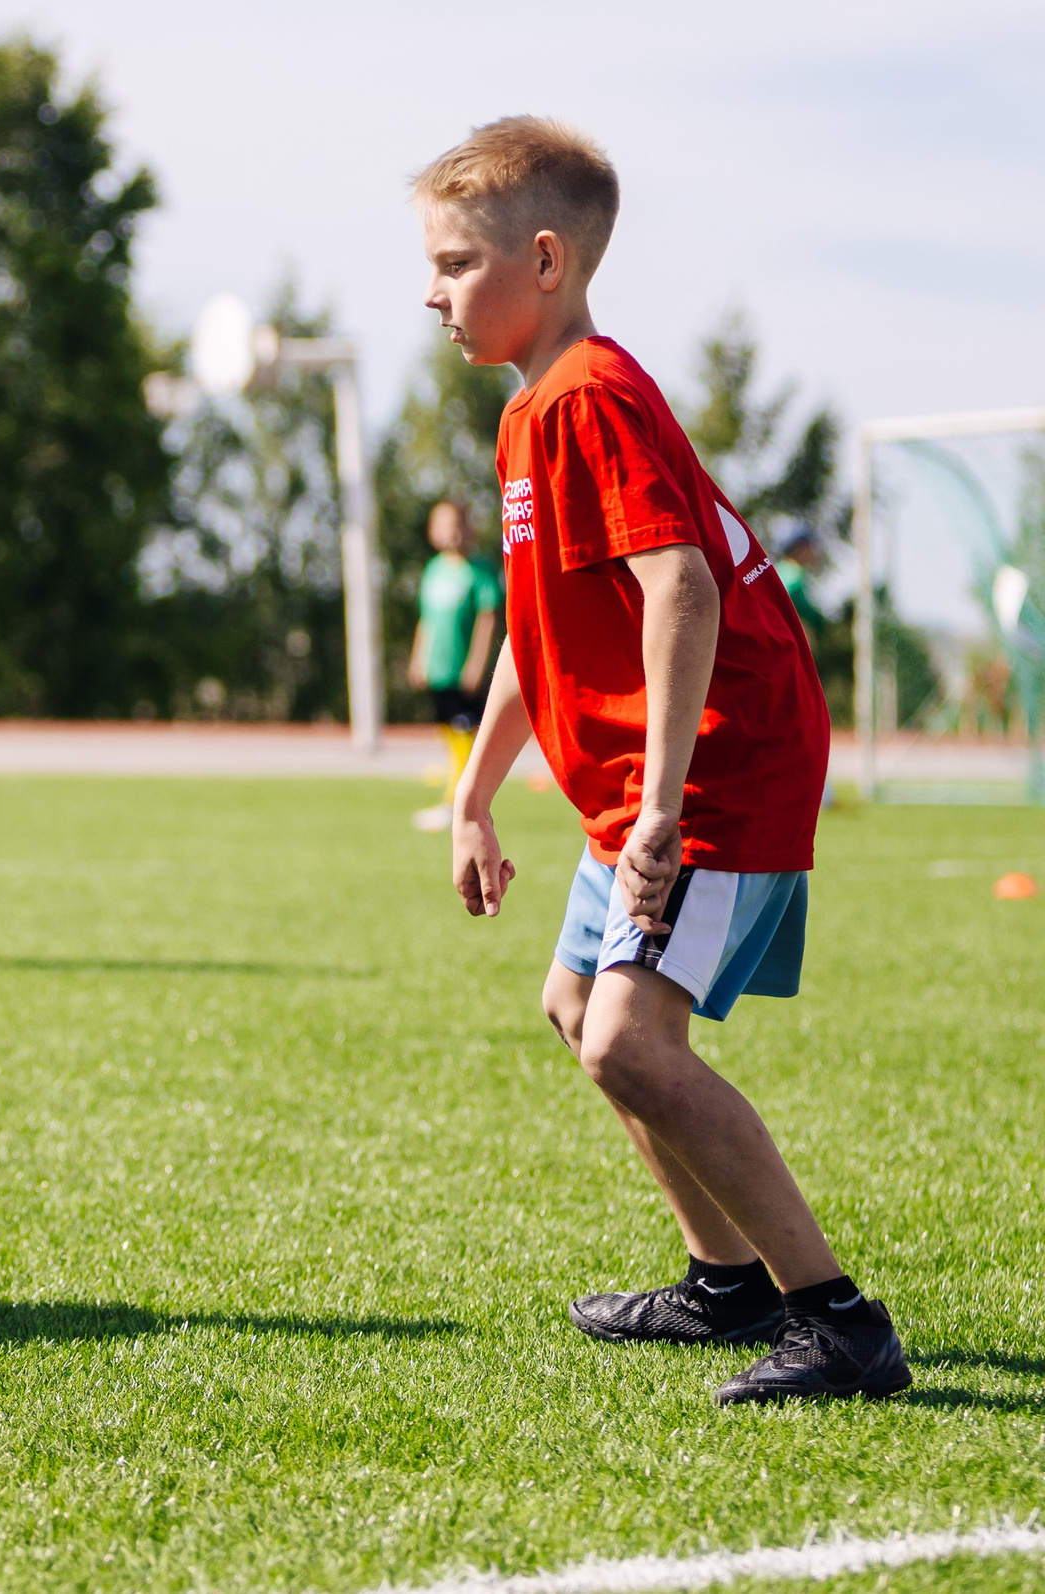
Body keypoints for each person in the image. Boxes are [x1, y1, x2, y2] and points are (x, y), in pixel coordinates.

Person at [422, 116, 906, 1406]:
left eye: (456, 263)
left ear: (543, 261)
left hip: (712, 765)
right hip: (652, 776)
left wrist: (657, 808)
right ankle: (725, 1281)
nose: (432, 292)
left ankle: (837, 1320)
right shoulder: (529, 413)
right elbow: (537, 630)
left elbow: (679, 587)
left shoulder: (590, 395)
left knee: (630, 1042)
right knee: (576, 1005)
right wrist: (474, 794)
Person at [406, 499, 500, 832]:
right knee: (448, 732)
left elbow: (487, 619)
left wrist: (476, 663)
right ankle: (454, 794)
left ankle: (458, 801)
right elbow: (427, 620)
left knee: (466, 734)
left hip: (463, 670)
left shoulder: (480, 570)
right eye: (444, 524)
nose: (451, 531)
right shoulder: (433, 570)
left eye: (457, 523)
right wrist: (418, 657)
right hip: (438, 668)